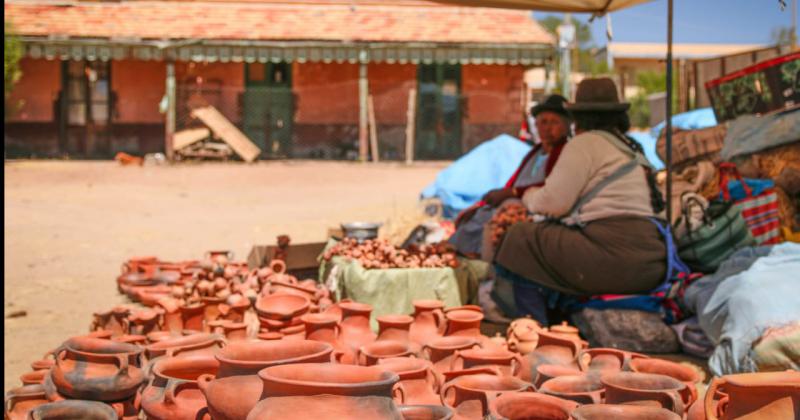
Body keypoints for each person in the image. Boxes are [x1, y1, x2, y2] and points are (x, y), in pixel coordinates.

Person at [490, 78, 669, 325]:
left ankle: (535, 330)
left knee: (521, 237)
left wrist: (525, 195)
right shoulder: (630, 146)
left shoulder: (585, 143)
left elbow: (553, 203)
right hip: (650, 262)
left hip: (616, 257)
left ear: (577, 118)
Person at [449, 94, 572, 258]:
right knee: (474, 219)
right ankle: (457, 258)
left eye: (554, 122)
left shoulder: (567, 152)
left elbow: (552, 188)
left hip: (537, 208)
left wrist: (511, 193)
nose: (547, 128)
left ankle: (486, 267)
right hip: (515, 201)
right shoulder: (534, 153)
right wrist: (479, 205)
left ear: (566, 126)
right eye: (543, 122)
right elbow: (512, 183)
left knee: (498, 220)